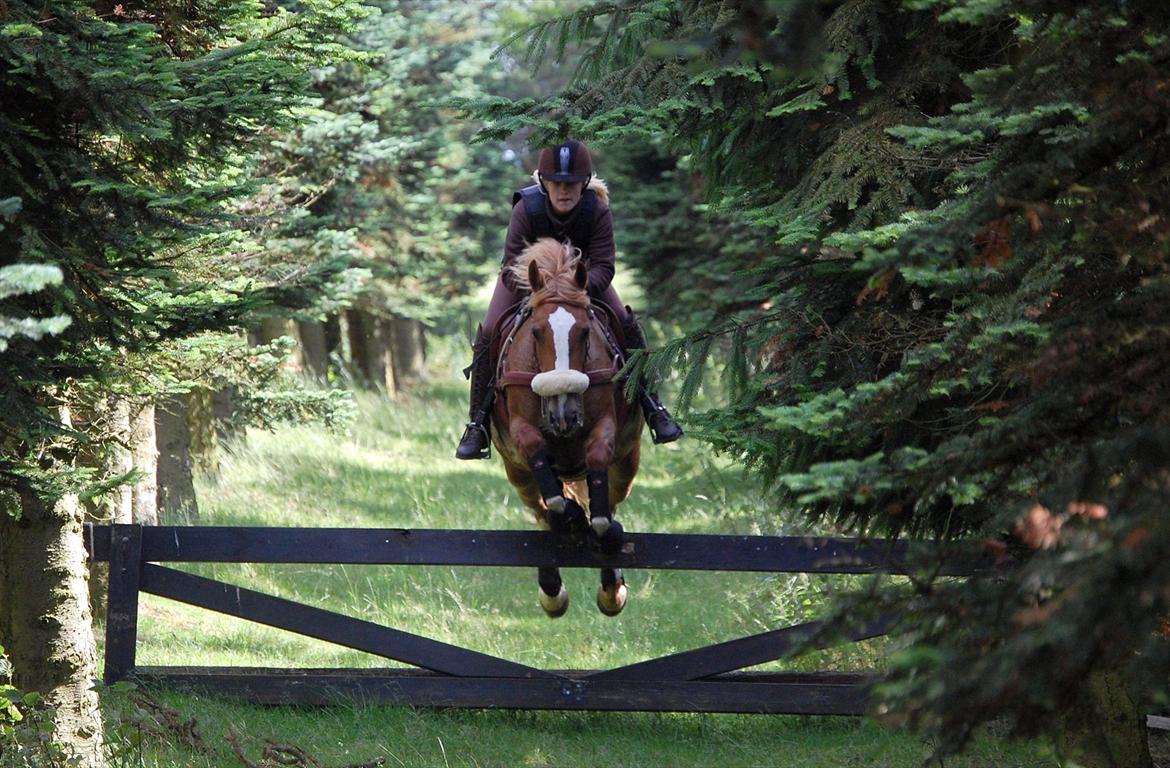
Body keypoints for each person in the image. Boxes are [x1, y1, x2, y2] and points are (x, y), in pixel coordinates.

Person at [455, 138, 683, 460]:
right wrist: (544, 293)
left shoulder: (597, 210)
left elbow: (605, 265)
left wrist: (576, 291)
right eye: (557, 184)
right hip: (528, 284)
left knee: (627, 321)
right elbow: (510, 267)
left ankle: (652, 406)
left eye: (573, 184)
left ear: (585, 183)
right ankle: (477, 423)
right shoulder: (526, 208)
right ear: (544, 183)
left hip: (584, 284)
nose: (565, 191)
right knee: (490, 330)